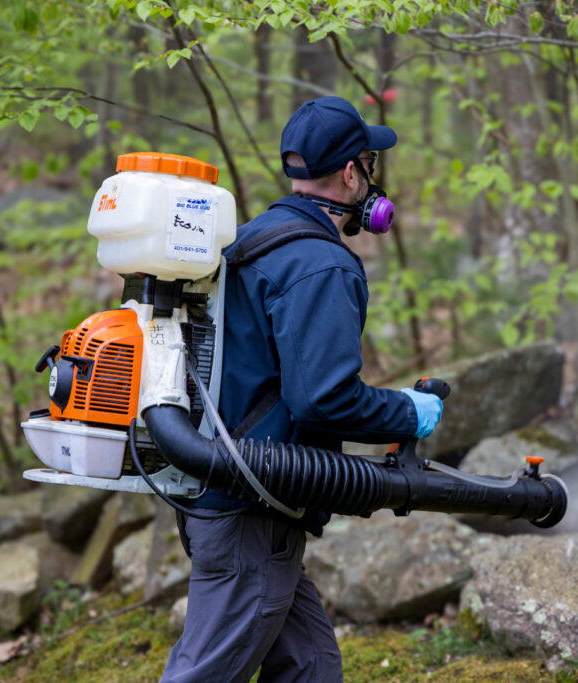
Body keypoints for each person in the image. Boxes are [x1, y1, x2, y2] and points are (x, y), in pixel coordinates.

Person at [159, 96, 444, 683]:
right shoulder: (320, 264)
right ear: (350, 173)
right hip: (249, 511)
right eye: (368, 163)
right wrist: (406, 413)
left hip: (217, 492)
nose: (371, 177)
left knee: (309, 665)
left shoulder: (252, 239)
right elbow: (323, 399)